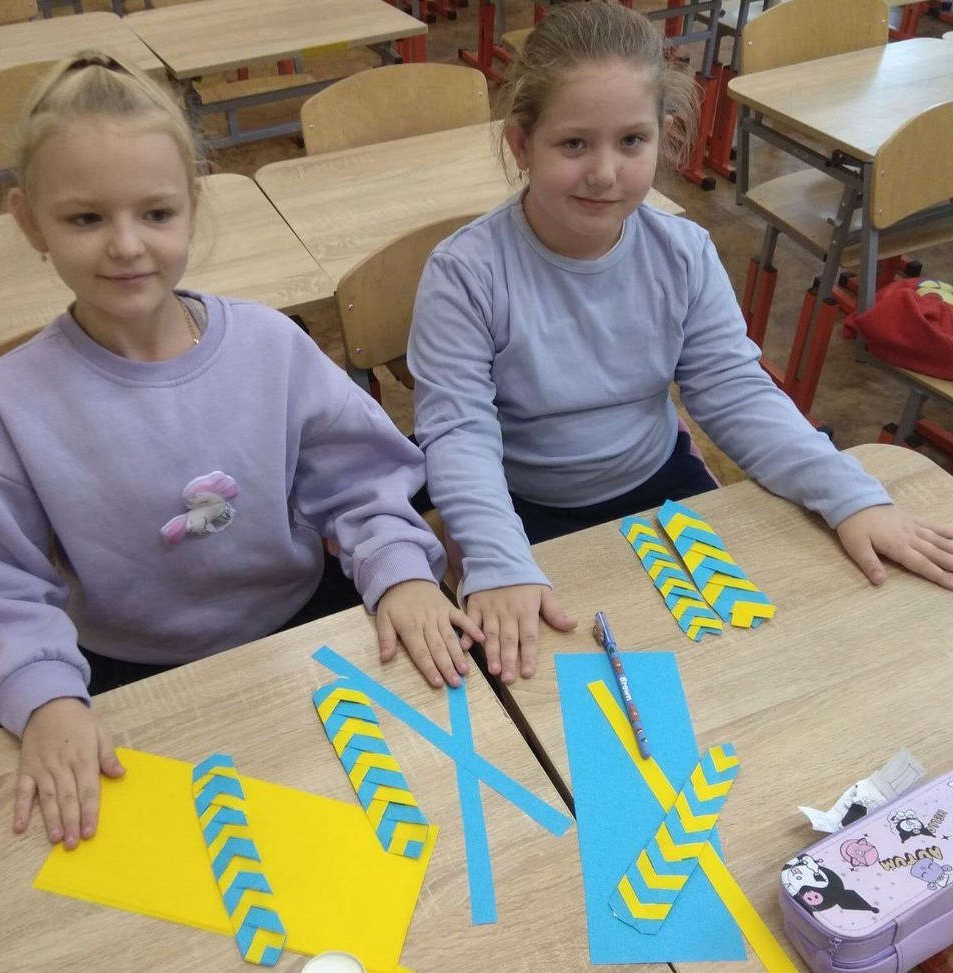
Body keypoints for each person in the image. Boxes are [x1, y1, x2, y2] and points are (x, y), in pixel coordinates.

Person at [0, 52, 483, 851]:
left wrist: (403, 571)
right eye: (85, 218)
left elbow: (361, 483)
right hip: (129, 672)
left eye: (156, 213)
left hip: (305, 624)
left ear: (193, 206)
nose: (126, 245)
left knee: (400, 829)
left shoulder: (272, 345)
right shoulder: (4, 408)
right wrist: (45, 695)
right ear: (29, 222)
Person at [407, 1, 953, 686]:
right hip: (521, 506)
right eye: (573, 144)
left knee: (755, 659)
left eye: (630, 142)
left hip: (660, 483)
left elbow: (736, 393)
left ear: (664, 138)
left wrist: (850, 496)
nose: (604, 172)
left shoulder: (684, 252)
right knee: (552, 685)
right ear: (522, 145)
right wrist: (497, 557)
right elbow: (458, 429)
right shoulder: (465, 272)